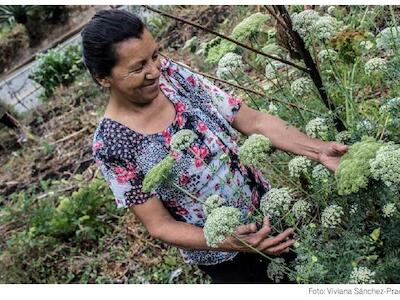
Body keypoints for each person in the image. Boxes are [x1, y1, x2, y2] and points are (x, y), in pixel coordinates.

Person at [81, 9, 347, 283]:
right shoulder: (112, 144)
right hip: (228, 260)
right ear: (103, 78)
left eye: (155, 55)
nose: (154, 72)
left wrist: (318, 150)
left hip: (273, 213)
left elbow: (250, 120)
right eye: (138, 68)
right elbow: (160, 225)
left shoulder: (172, 75)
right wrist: (229, 241)